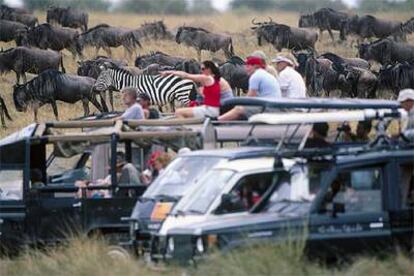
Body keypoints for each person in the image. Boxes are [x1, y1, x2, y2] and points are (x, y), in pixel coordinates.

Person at [219, 56, 281, 121]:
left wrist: (236, 102)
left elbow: (249, 98)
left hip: (268, 107)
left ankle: (217, 121)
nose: (246, 69)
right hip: (271, 105)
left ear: (255, 66)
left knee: (238, 109)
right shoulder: (264, 74)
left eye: (248, 66)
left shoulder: (256, 76)